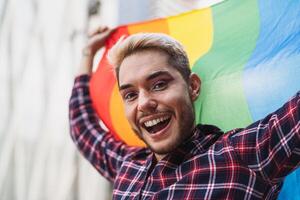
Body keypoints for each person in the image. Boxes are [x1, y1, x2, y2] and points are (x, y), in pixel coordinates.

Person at [69, 26, 300, 199]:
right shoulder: (129, 165)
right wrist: (87, 54)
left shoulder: (242, 154)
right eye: (130, 94)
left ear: (193, 87)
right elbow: (83, 129)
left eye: (159, 84)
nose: (144, 103)